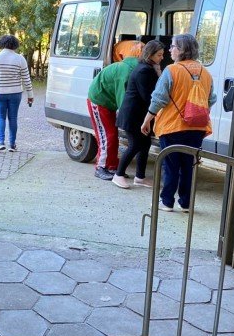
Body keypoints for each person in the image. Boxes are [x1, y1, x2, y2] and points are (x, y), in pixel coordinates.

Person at [141, 34, 216, 212]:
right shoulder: (205, 73)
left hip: (172, 126)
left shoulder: (171, 71)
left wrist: (146, 121)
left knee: (171, 166)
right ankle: (186, 203)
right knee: (188, 166)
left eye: (173, 46)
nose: (170, 49)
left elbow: (158, 99)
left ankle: (167, 202)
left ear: (182, 50)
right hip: (197, 128)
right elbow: (210, 99)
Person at [86, 41, 143, 180]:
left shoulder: (131, 67)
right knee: (107, 136)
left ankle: (112, 167)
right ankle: (101, 167)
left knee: (112, 135)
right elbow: (123, 99)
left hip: (107, 103)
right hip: (98, 101)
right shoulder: (126, 72)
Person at [112, 40, 164, 189]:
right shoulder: (144, 70)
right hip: (133, 115)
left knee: (145, 144)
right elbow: (148, 96)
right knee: (135, 145)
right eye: (159, 55)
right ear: (150, 54)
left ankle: (140, 177)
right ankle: (118, 174)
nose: (161, 58)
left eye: (162, 55)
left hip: (138, 115)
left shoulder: (146, 67)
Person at [0, 35, 33, 153]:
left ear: (1, 44)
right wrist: (30, 95)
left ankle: (0, 142)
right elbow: (26, 78)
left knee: (0, 117)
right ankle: (12, 145)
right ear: (15, 45)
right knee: (13, 118)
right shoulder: (20, 59)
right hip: (15, 93)